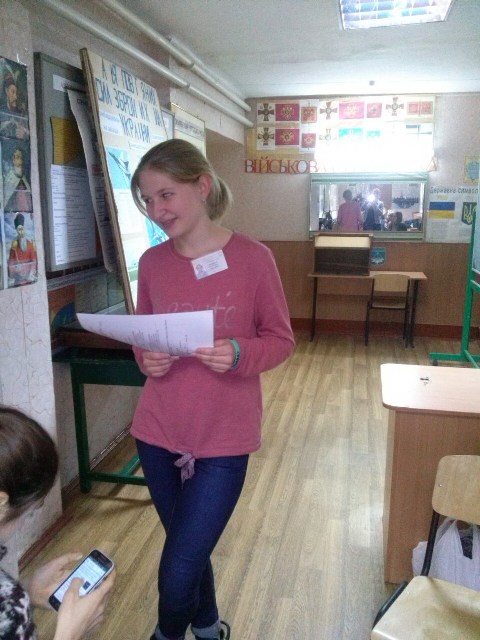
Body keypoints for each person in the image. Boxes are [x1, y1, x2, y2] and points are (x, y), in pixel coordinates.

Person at [130, 139, 295, 640]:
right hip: (157, 432)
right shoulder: (152, 263)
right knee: (188, 546)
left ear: (202, 186)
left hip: (224, 438)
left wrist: (240, 353)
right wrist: (147, 357)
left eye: (166, 195)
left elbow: (281, 340)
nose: (157, 210)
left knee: (179, 565)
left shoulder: (254, 258)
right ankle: (207, 627)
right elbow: (143, 336)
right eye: (147, 200)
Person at [0, 406, 115, 640]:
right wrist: (70, 633)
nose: (24, 522)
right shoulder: (9, 606)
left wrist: (27, 593)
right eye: (31, 511)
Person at [7, 213, 38, 286]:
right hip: (17, 279)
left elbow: (34, 261)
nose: (20, 232)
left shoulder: (30, 244)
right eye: (18, 230)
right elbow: (11, 263)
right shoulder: (14, 246)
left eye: (21, 229)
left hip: (29, 278)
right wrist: (14, 270)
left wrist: (30, 274)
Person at [3, 146, 33, 212]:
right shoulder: (9, 178)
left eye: (21, 157)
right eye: (17, 157)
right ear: (13, 159)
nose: (20, 159)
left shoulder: (24, 178)